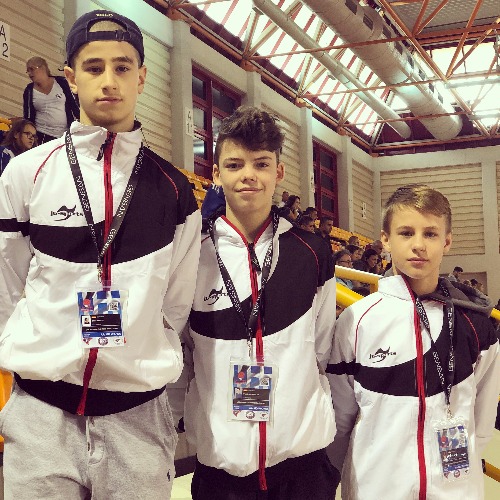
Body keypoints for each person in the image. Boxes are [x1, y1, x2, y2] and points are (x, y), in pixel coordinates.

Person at [0, 10, 201, 499]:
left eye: (122, 67)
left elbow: (175, 304)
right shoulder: (26, 174)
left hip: (137, 416)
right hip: (41, 416)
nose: (109, 80)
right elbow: (7, 286)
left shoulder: (174, 190)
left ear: (141, 78)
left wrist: (135, 354)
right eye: (94, 67)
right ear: (71, 78)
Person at [184, 105, 339, 499]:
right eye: (235, 164)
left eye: (261, 164)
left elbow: (321, 349)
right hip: (221, 468)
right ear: (216, 174)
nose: (248, 175)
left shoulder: (312, 252)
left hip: (302, 466)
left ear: (279, 172)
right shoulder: (193, 255)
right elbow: (184, 352)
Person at [328, 184, 499, 500]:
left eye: (430, 234)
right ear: (385, 240)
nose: (418, 245)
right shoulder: (356, 321)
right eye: (406, 233)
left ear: (447, 241)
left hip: (457, 491)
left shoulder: (476, 325)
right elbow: (341, 420)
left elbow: (483, 420)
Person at [23, 56, 80, 144]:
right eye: (28, 71)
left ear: (42, 68)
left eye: (32, 69)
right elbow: (28, 116)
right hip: (41, 135)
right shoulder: (29, 90)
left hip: (64, 135)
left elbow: (74, 105)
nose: (30, 73)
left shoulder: (62, 82)